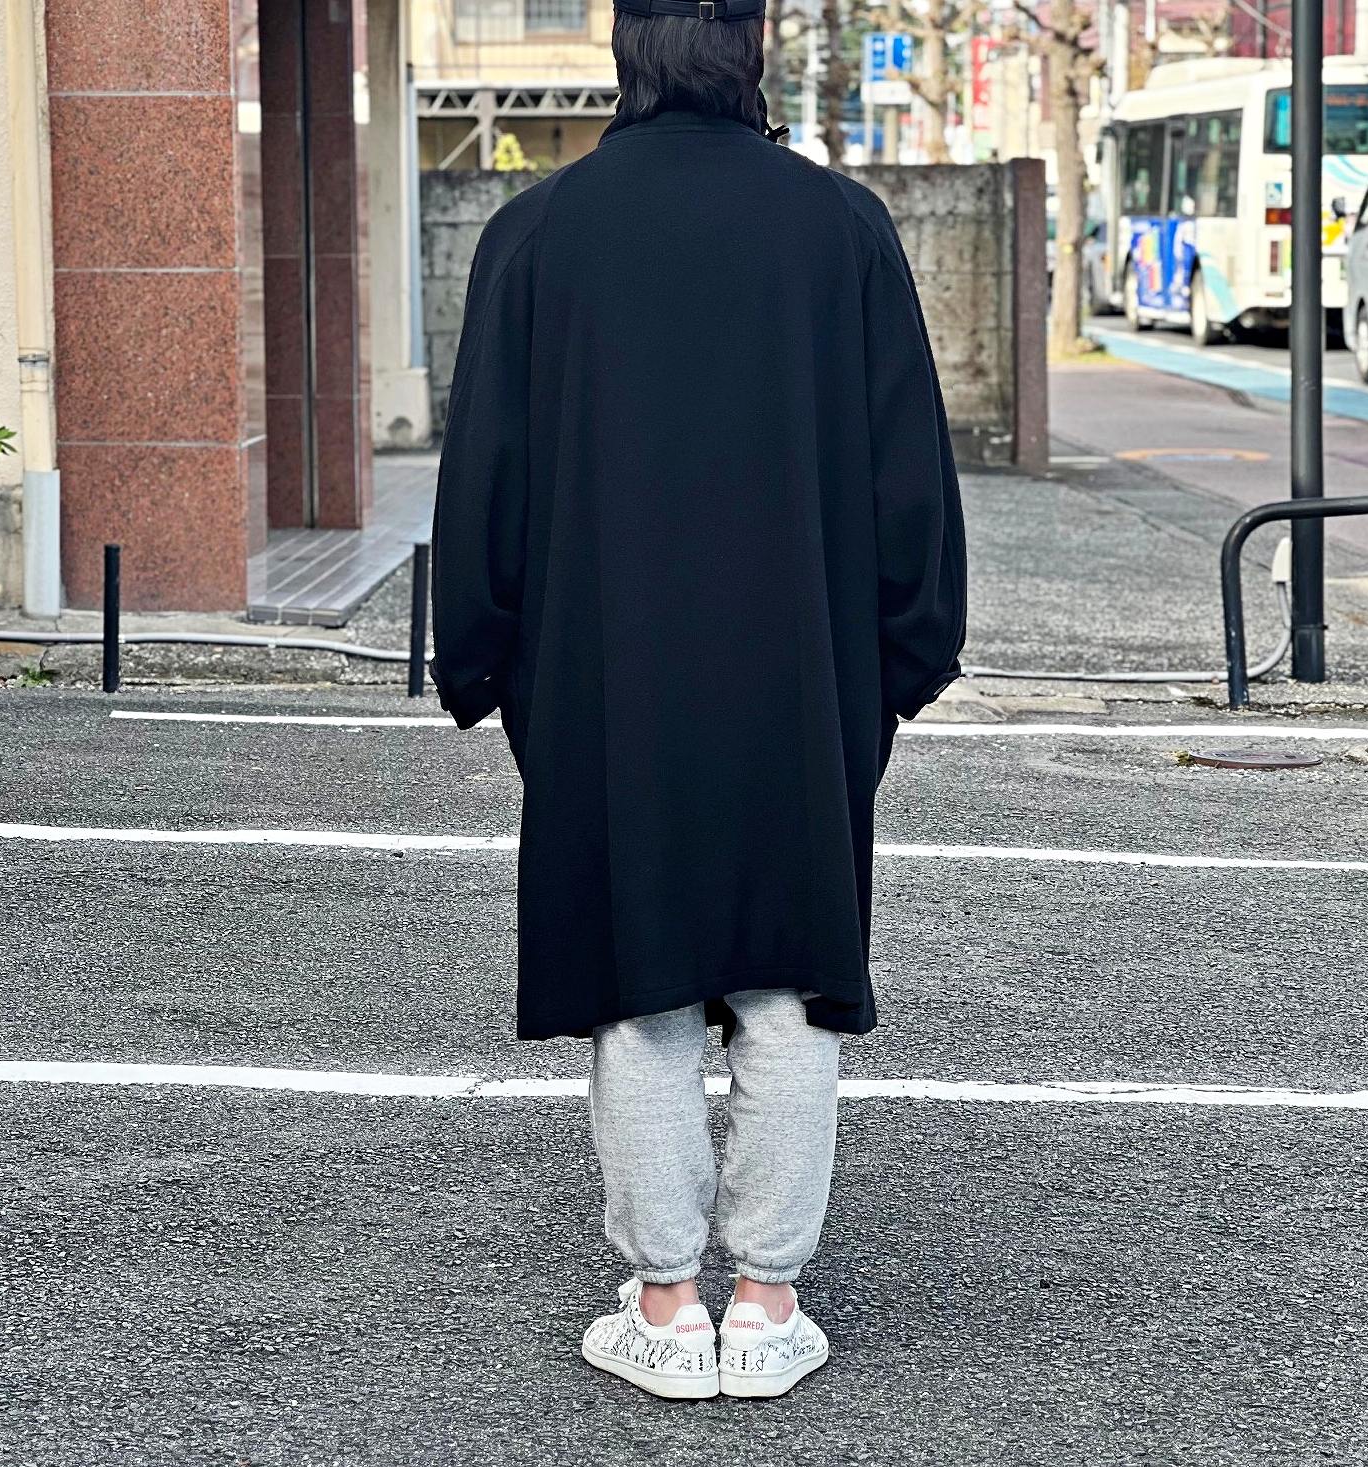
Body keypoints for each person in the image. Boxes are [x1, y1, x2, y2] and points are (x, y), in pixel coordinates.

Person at [429, 0, 966, 1403]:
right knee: (790, 965)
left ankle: (667, 1304)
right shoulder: (840, 228)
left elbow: (485, 471)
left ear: (626, 54)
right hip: (806, 665)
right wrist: (907, 655)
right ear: (754, 53)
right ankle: (770, 1301)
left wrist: (481, 655)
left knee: (642, 966)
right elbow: (909, 472)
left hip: (603, 666)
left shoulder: (538, 234)